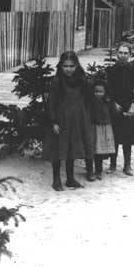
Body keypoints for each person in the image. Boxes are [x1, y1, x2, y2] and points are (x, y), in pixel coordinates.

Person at [42, 51, 95, 191]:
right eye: (65, 66)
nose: (68, 69)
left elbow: (87, 98)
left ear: (77, 65)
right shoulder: (57, 81)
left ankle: (70, 179)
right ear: (61, 66)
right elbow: (51, 103)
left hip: (76, 120)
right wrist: (53, 122)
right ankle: (56, 180)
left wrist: (84, 115)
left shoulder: (81, 80)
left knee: (72, 148)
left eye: (72, 66)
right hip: (61, 120)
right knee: (58, 150)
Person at [106, 43, 134, 176]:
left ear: (130, 55)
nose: (123, 55)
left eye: (125, 53)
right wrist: (113, 103)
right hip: (115, 106)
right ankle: (112, 164)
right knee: (115, 136)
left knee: (128, 137)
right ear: (117, 54)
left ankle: (127, 165)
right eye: (120, 53)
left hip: (130, 105)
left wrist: (133, 105)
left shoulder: (133, 70)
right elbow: (108, 89)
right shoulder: (111, 70)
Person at [90, 79, 116, 180]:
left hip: (106, 127)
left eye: (101, 92)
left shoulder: (108, 101)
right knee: (96, 150)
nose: (98, 94)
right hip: (95, 127)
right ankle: (97, 170)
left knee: (102, 150)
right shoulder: (92, 102)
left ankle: (100, 171)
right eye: (96, 91)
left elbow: (113, 112)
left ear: (105, 92)